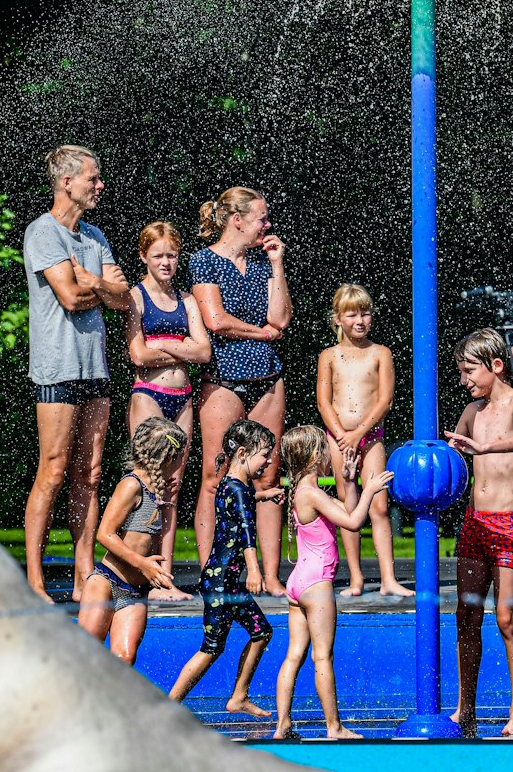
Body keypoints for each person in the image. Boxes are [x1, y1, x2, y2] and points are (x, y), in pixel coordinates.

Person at [22, 145, 131, 601]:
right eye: (93, 177)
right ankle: (34, 579)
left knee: (90, 471)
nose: (99, 184)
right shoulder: (43, 232)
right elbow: (70, 297)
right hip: (57, 366)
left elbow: (124, 298)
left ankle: (87, 573)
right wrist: (95, 286)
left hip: (95, 366)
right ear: (67, 182)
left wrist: (96, 283)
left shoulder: (95, 236)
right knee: (53, 469)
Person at [189, 187, 291, 594]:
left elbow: (281, 320)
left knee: (268, 477)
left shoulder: (264, 264)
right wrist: (261, 332)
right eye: (262, 218)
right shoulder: (203, 261)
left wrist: (278, 266)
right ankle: (211, 571)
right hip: (224, 379)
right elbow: (215, 320)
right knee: (215, 477)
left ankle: (268, 576)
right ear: (238, 220)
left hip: (267, 379)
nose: (267, 225)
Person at [269, 425, 393, 741]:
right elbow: (354, 522)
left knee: (294, 654)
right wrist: (370, 488)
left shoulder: (304, 492)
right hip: (316, 584)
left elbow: (346, 512)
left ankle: (283, 724)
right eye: (325, 449)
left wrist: (350, 480)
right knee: (322, 656)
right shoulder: (311, 493)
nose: (330, 455)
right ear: (315, 456)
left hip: (298, 581)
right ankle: (334, 727)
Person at [444, 329, 513, 737]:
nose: (464, 380)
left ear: (496, 365)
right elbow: (450, 451)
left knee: (507, 616)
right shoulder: (471, 411)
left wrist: (484, 448)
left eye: (469, 371)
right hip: (475, 523)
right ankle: (466, 706)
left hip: (509, 522)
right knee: (466, 615)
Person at [169, 419, 282, 718]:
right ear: (243, 453)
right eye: (265, 455)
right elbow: (247, 531)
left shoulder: (230, 484)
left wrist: (263, 495)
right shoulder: (240, 489)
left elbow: (239, 504)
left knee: (261, 632)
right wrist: (254, 570)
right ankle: (168, 708)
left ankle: (239, 697)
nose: (269, 460)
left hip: (223, 582)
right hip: (222, 584)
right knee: (211, 648)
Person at [125, 221, 211, 598]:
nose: (166, 262)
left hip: (183, 398)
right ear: (144, 256)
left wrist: (165, 344)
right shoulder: (136, 296)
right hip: (148, 394)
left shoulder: (188, 300)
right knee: (147, 485)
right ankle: (137, 572)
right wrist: (181, 345)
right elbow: (138, 353)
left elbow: (204, 351)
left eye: (172, 255)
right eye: (158, 255)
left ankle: (166, 576)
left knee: (172, 488)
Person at [315, 283, 408, 598]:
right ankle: (356, 577)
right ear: (337, 318)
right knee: (349, 505)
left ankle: (388, 578)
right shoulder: (329, 356)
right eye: (352, 314)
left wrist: (358, 434)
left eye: (365, 313)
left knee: (379, 506)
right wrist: (342, 436)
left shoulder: (380, 353)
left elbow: (385, 401)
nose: (359, 320)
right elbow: (324, 402)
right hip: (339, 439)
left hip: (371, 438)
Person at [77, 417, 186, 665]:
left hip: (136, 591)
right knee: (85, 656)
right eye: (179, 457)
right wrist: (143, 564)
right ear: (167, 457)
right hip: (106, 582)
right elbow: (104, 533)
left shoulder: (156, 489)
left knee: (124, 658)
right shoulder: (131, 485)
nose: (181, 463)